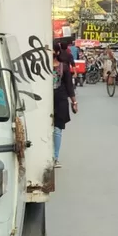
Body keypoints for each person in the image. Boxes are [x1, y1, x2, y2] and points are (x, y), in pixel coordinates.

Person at [52, 39, 78, 168]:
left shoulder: (64, 67)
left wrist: (74, 102)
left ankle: (55, 157)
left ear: (57, 51)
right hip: (45, 101)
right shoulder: (40, 67)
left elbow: (69, 86)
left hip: (60, 100)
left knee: (57, 129)